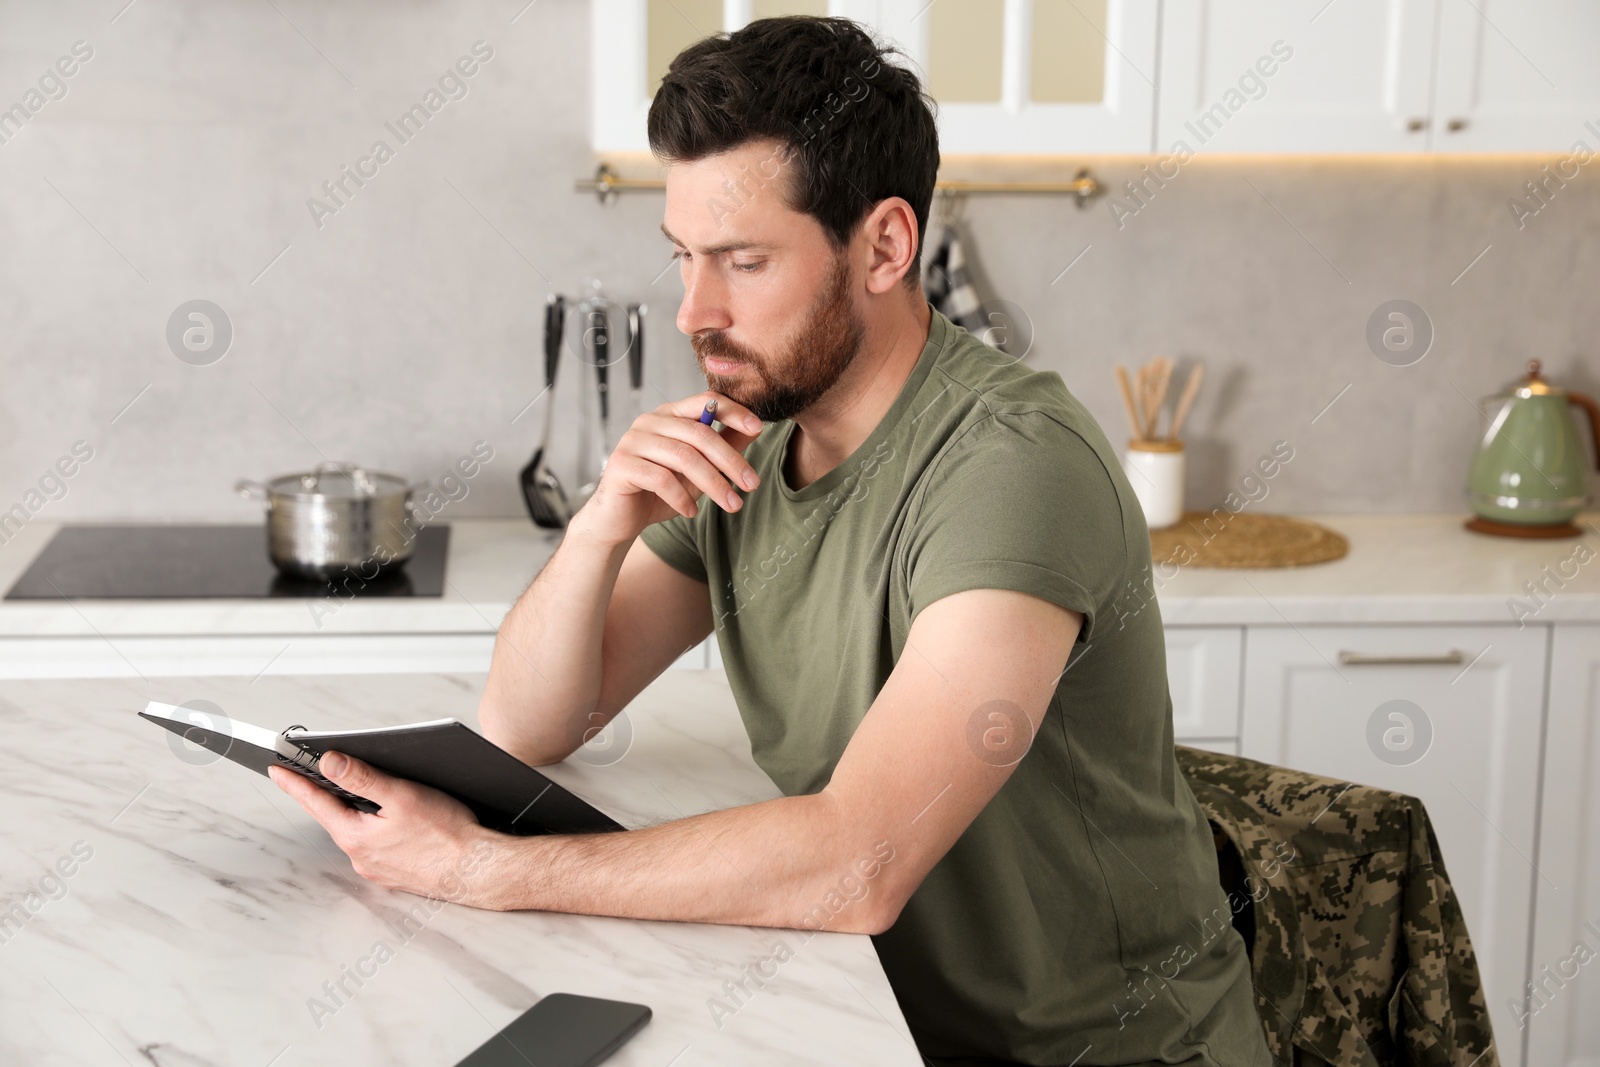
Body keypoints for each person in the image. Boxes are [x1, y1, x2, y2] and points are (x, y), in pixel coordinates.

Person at [270, 15, 1271, 1066]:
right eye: (684, 258)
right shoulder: (748, 437)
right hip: (877, 1018)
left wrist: (480, 868)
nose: (695, 312)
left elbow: (856, 861)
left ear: (884, 245)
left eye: (743, 261)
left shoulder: (1010, 466)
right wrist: (602, 522)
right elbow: (530, 721)